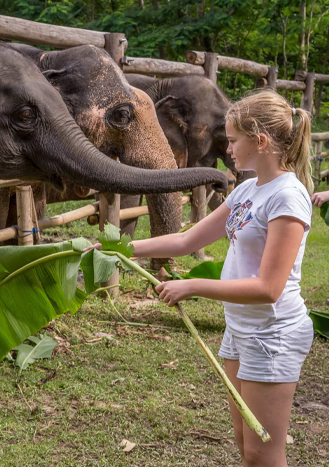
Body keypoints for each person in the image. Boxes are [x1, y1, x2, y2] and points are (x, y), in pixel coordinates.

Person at [90, 90, 315, 466]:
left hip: (272, 335)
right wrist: (119, 250)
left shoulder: (288, 197)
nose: (228, 149)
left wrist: (192, 286)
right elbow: (186, 239)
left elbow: (268, 288)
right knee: (246, 447)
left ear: (260, 142)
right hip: (241, 329)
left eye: (233, 140)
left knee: (264, 454)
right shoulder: (247, 189)